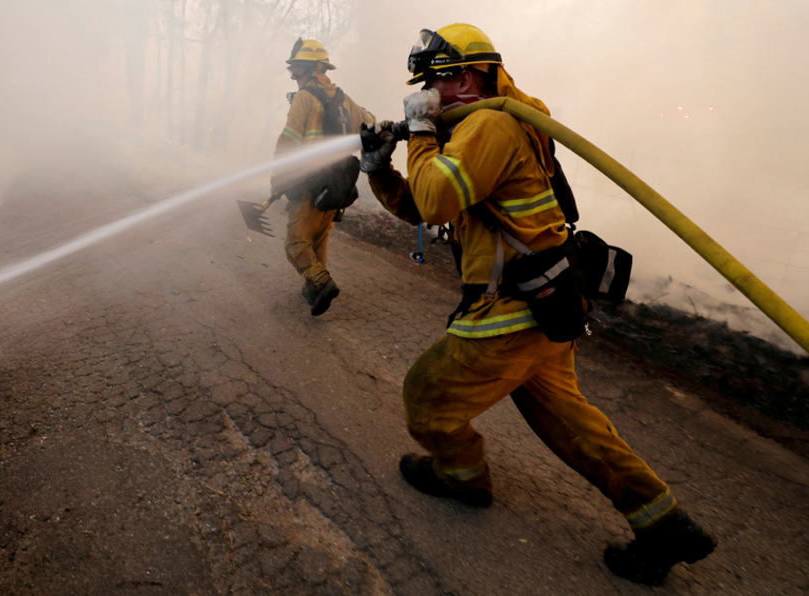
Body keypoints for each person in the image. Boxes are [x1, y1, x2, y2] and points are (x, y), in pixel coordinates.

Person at [358, 23, 715, 585]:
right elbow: (432, 208)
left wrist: (422, 129)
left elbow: (435, 196)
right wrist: (381, 170)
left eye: (434, 82)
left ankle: (463, 477)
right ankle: (664, 521)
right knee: (571, 424)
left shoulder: (491, 125)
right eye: (423, 86)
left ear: (469, 77)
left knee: (426, 396)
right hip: (543, 305)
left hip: (509, 311)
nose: (426, 94)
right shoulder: (487, 127)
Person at [272, 38, 375, 316]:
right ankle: (313, 288)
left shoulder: (305, 98)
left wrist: (277, 179)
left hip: (308, 185)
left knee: (295, 243)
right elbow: (372, 123)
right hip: (337, 186)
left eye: (298, 71)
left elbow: (289, 142)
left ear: (316, 69)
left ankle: (322, 283)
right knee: (318, 238)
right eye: (292, 72)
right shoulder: (344, 100)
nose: (295, 78)